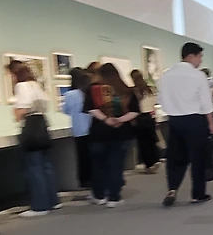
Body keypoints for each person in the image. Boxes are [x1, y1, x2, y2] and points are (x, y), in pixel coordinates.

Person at [159, 42, 213, 207]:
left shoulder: (166, 75)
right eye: (200, 56)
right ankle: (198, 194)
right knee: (197, 158)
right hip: (195, 120)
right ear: (191, 56)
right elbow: (206, 103)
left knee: (175, 157)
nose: (201, 60)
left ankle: (172, 188)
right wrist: (211, 123)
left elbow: (161, 100)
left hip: (174, 120)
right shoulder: (198, 76)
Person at [85, 64, 140, 207]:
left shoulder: (93, 89)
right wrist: (120, 120)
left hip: (99, 132)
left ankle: (99, 195)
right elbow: (135, 111)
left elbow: (91, 109)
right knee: (116, 165)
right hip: (121, 133)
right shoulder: (126, 90)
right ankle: (114, 197)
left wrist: (106, 119)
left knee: (98, 165)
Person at [10, 62, 60, 217]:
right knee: (46, 166)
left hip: (31, 127)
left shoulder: (22, 86)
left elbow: (22, 109)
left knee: (33, 168)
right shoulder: (36, 86)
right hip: (42, 125)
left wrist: (16, 114)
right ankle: (53, 200)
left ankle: (40, 206)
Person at [62, 68, 93, 190]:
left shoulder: (70, 95)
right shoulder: (88, 92)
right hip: (92, 127)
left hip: (79, 129)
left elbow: (66, 110)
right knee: (93, 156)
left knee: (82, 156)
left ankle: (85, 181)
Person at [130, 69, 161, 173]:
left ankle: (149, 164)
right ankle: (155, 159)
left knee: (143, 143)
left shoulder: (135, 91)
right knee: (151, 140)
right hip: (150, 116)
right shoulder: (149, 89)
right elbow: (155, 102)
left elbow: (135, 106)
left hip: (139, 117)